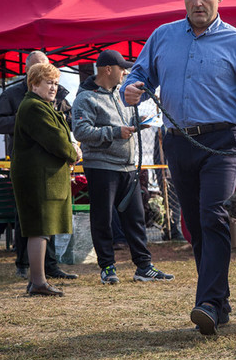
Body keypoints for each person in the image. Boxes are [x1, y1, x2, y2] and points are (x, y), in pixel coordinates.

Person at [121, 0, 236, 335]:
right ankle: (219, 304)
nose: (197, 3)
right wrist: (132, 87)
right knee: (193, 224)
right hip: (177, 142)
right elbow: (140, 75)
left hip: (223, 142)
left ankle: (206, 302)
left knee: (213, 217)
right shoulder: (162, 37)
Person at [72, 49, 173, 284]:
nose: (125, 73)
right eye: (122, 69)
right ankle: (107, 267)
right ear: (108, 69)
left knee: (135, 217)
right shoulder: (85, 99)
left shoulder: (120, 95)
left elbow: (124, 123)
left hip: (127, 167)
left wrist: (140, 123)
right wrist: (116, 132)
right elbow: (81, 131)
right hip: (102, 167)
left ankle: (144, 266)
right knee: (103, 219)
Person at [0, 50, 77, 280]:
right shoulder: (19, 97)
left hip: (50, 167)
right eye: (40, 71)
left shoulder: (55, 94)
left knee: (48, 221)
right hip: (32, 166)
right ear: (30, 75)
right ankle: (25, 265)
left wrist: (66, 130)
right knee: (30, 221)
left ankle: (50, 267)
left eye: (52, 76)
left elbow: (70, 120)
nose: (53, 84)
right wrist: (24, 122)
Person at [10, 62, 82, 296]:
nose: (53, 87)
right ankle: (38, 282)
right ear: (34, 84)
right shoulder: (34, 107)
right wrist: (73, 152)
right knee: (40, 229)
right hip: (38, 178)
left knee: (43, 229)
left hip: (44, 177)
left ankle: (37, 280)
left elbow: (60, 136)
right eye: (49, 83)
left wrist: (71, 147)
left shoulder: (41, 105)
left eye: (56, 83)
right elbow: (56, 140)